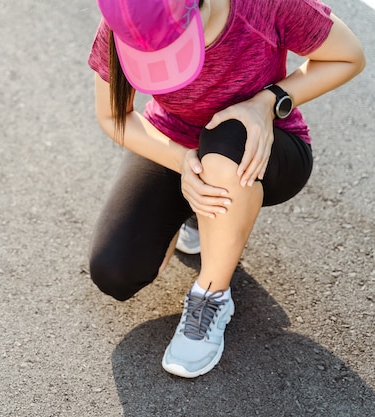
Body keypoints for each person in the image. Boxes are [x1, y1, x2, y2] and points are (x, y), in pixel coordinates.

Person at [87, 0, 365, 378]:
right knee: (115, 272)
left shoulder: (261, 5)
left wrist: (267, 102)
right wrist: (185, 162)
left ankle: (212, 295)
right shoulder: (126, 18)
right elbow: (114, 115)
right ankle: (200, 211)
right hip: (177, 143)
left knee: (228, 134)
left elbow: (349, 57)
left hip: (263, 145)